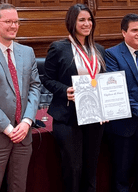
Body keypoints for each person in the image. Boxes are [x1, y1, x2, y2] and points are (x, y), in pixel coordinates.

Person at [42, 4, 106, 192]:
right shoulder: (59, 48)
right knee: (73, 169)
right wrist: (64, 90)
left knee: (90, 169)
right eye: (82, 20)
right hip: (68, 118)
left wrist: (108, 106)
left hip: (95, 118)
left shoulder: (99, 50)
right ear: (72, 22)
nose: (87, 24)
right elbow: (46, 78)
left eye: (89, 20)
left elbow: (103, 82)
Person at [0, 3, 41, 192]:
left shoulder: (27, 52)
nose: (14, 26)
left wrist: (26, 122)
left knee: (19, 187)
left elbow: (35, 87)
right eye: (8, 21)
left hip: (24, 135)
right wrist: (9, 129)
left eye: (16, 22)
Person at [105, 13, 138, 192]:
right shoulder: (112, 54)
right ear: (124, 33)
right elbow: (117, 91)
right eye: (135, 30)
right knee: (121, 176)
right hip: (124, 125)